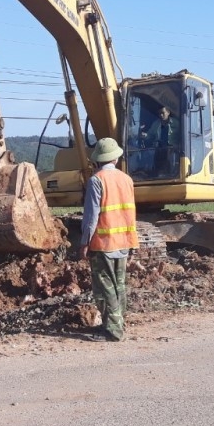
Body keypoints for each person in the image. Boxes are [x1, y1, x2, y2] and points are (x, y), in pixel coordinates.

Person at [78, 137, 140, 341]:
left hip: (104, 243)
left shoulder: (97, 180)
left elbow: (91, 216)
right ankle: (117, 323)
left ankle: (113, 331)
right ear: (115, 158)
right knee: (119, 285)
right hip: (123, 241)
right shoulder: (126, 179)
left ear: (97, 160)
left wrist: (84, 242)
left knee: (106, 287)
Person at [142, 106, 179, 177]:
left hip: (172, 150)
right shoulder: (156, 124)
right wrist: (145, 135)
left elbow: (182, 135)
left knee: (169, 167)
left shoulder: (176, 123)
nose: (161, 115)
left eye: (163, 113)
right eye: (159, 114)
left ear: (168, 112)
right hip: (159, 149)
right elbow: (150, 134)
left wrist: (177, 145)